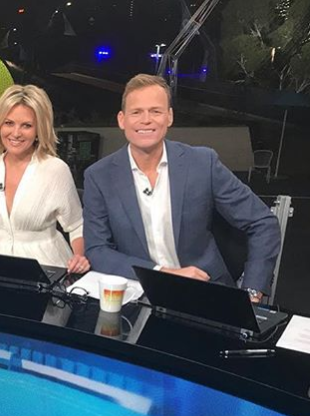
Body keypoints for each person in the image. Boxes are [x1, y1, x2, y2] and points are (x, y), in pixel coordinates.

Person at [83, 74, 280, 301]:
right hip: (140, 294)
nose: (146, 120)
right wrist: (162, 274)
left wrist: (253, 288)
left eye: (155, 111)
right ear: (121, 120)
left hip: (205, 291)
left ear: (169, 117)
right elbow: (97, 250)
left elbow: (263, 222)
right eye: (136, 112)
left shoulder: (202, 163)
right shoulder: (99, 176)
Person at [0, 84, 89, 273]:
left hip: (48, 270)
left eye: (26, 126)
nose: (16, 133)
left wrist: (80, 258)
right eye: (9, 123)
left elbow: (76, 225)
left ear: (39, 129)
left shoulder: (55, 170)